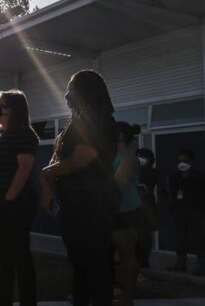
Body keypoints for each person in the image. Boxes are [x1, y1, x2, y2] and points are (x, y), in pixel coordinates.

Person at [41, 70, 119, 306]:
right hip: (73, 205)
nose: (68, 94)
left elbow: (81, 158)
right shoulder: (78, 121)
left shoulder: (101, 122)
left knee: (95, 266)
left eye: (72, 88)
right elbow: (61, 156)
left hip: (92, 205)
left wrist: (47, 173)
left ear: (87, 91)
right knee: (80, 266)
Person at [0, 90, 39, 306]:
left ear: (14, 109)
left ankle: (27, 301)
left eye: (1, 105)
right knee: (5, 259)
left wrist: (8, 200)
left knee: (21, 257)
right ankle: (3, 301)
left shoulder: (23, 133)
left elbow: (24, 169)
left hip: (15, 205)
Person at [111, 122, 142, 306]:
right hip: (113, 212)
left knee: (126, 256)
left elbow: (116, 186)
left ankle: (127, 299)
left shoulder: (128, 158)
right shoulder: (111, 156)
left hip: (127, 212)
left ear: (120, 135)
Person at [166, 149, 205, 275]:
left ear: (192, 162)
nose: (182, 163)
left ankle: (201, 265)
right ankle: (180, 263)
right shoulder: (174, 177)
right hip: (179, 211)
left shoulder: (200, 176)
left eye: (186, 161)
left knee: (198, 238)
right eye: (180, 161)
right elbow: (167, 192)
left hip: (196, 211)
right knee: (180, 238)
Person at [135, 148, 158, 269]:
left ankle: (144, 259)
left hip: (146, 205)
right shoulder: (135, 169)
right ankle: (138, 258)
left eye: (141, 156)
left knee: (145, 235)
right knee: (136, 234)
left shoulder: (151, 171)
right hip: (135, 205)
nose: (139, 159)